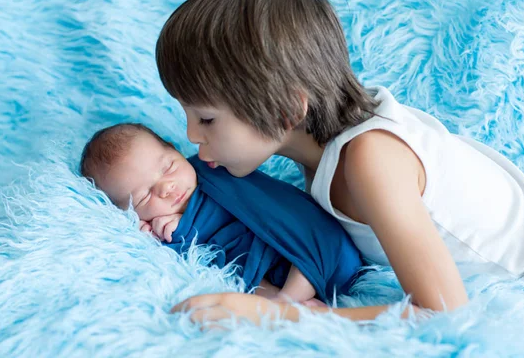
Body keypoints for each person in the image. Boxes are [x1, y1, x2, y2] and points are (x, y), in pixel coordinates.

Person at [154, 0, 524, 323]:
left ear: (286, 109)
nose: (191, 135)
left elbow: (444, 313)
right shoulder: (326, 152)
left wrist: (281, 316)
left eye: (206, 118)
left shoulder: (372, 159)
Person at [79, 123, 363, 305]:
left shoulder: (212, 168)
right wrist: (165, 234)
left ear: (176, 150)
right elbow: (202, 258)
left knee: (307, 237)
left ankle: (292, 300)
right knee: (247, 281)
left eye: (168, 168)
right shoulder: (159, 228)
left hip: (301, 244)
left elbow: (268, 203)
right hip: (260, 268)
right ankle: (288, 302)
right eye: (145, 196)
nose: (166, 188)